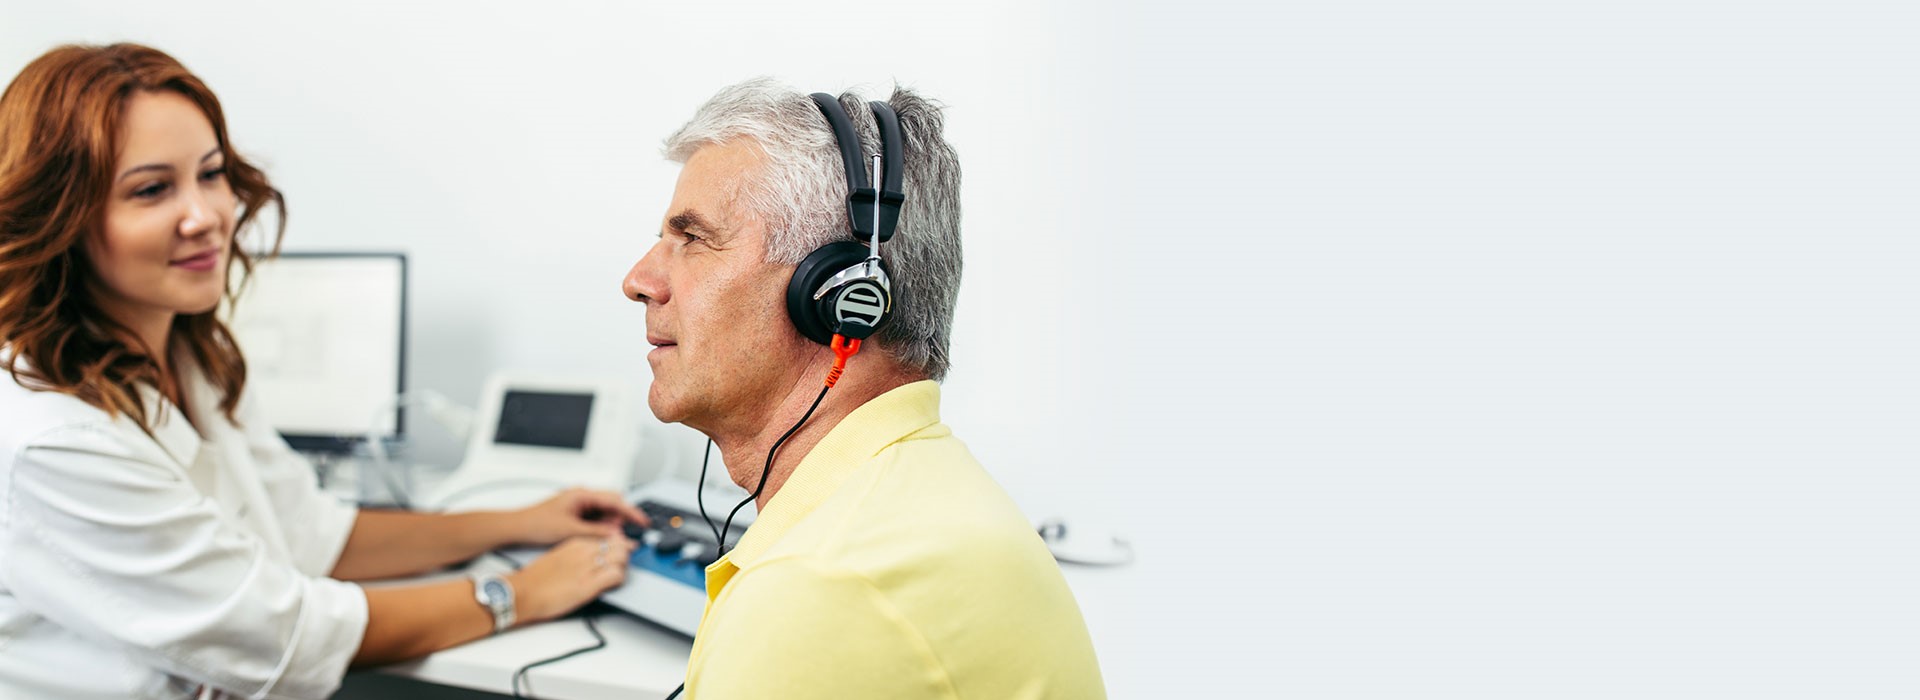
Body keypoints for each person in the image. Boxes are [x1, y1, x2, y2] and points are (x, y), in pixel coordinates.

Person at [0, 43, 647, 699]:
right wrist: (520, 593)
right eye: (151, 190)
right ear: (59, 216)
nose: (205, 216)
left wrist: (521, 520)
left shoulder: (194, 359)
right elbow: (279, 635)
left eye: (212, 174)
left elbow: (310, 534)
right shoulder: (49, 437)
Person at [621, 78, 1105, 698]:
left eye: (692, 239)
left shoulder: (819, 588)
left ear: (840, 296)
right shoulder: (921, 493)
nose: (638, 280)